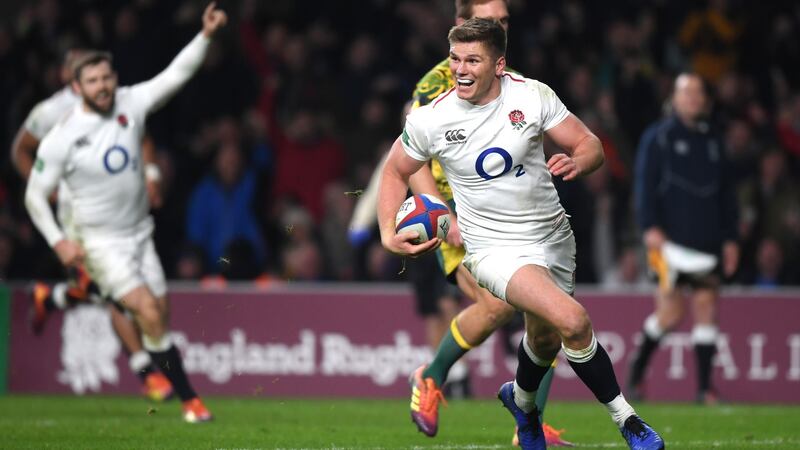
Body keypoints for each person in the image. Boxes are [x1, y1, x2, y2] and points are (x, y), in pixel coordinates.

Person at [378, 19, 664, 450]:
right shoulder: (432, 118)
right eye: (456, 59)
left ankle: (523, 406)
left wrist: (579, 162)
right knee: (573, 320)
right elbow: (395, 168)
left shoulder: (530, 96)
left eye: (473, 60)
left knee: (544, 338)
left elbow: (590, 143)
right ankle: (630, 423)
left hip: (553, 236)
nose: (461, 69)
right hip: (493, 249)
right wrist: (386, 231)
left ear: (499, 63)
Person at [24, 2, 227, 423]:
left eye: (106, 77)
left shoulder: (129, 104)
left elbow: (176, 75)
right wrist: (59, 241)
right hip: (97, 240)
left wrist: (204, 36)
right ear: (77, 87)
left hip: (139, 232)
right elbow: (33, 196)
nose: (102, 86)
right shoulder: (61, 138)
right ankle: (190, 401)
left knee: (157, 315)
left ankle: (58, 295)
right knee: (147, 311)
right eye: (93, 80)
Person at [10, 49, 172, 402]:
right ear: (71, 80)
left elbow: (141, 136)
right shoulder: (50, 113)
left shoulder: (115, 101)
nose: (98, 83)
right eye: (86, 77)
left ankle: (52, 298)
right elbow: (21, 150)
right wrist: (44, 192)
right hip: (78, 214)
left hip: (119, 210)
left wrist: (152, 172)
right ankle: (147, 374)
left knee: (107, 289)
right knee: (116, 292)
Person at [628, 72, 739, 405]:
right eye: (685, 92)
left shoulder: (715, 141)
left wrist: (731, 238)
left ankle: (705, 389)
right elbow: (644, 185)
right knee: (671, 313)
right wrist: (648, 226)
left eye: (697, 93)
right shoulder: (658, 137)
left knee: (707, 307)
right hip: (667, 245)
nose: (692, 98)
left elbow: (727, 194)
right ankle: (636, 375)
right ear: (674, 99)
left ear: (705, 100)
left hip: (706, 242)